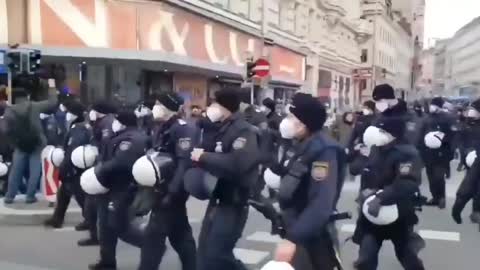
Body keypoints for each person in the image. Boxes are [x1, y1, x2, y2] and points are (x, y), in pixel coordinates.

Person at [272, 93, 346, 270]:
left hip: (313, 235)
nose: (286, 121)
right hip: (297, 227)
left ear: (304, 122)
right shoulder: (301, 143)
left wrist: (293, 239)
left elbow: (321, 203)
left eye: (291, 116)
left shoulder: (323, 151)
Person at [191, 88, 260, 270]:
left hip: (234, 201)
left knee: (218, 255)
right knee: (204, 253)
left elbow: (238, 163)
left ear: (224, 107)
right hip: (218, 197)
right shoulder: (222, 127)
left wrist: (204, 157)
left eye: (214, 103)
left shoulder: (244, 131)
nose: (210, 107)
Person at [136, 92, 198, 270]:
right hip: (161, 188)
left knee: (153, 238)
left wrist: (172, 193)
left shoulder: (182, 129)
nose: (154, 106)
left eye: (158, 103)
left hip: (171, 190)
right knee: (180, 235)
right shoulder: (162, 126)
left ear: (167, 107)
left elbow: (184, 163)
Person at [353, 116, 425, 270]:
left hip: (398, 212)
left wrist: (381, 197)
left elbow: (408, 182)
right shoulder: (375, 149)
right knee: (366, 257)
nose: (376, 133)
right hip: (371, 213)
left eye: (382, 131)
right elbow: (359, 169)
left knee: (406, 254)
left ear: (393, 134)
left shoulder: (406, 154)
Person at [85, 109, 149, 270]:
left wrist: (99, 170)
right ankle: (107, 262)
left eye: (117, 120)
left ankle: (152, 244)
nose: (114, 123)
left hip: (122, 188)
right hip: (108, 187)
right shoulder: (121, 136)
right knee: (105, 228)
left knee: (119, 226)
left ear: (123, 122)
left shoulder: (132, 139)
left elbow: (121, 162)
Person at [4, 80, 58, 204]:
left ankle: (9, 196)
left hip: (20, 145)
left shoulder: (10, 110)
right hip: (37, 143)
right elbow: (53, 102)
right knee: (35, 170)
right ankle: (30, 196)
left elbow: (6, 130)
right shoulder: (34, 106)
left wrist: (14, 143)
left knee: (16, 170)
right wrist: (51, 86)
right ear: (27, 96)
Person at [44, 100, 91, 229]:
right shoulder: (78, 127)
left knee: (80, 196)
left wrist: (64, 168)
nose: (67, 114)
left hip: (75, 170)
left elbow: (72, 151)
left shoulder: (78, 130)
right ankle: (57, 219)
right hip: (75, 168)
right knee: (63, 194)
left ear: (75, 114)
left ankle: (90, 221)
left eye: (69, 112)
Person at [78, 100, 118, 247]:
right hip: (99, 168)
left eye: (93, 109)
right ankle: (96, 236)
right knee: (92, 206)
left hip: (102, 169)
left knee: (97, 206)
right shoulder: (101, 122)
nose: (90, 112)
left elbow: (105, 146)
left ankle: (101, 239)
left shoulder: (107, 123)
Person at [418, 97, 457, 209]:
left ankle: (441, 198)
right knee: (430, 176)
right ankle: (435, 197)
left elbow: (453, 135)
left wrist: (442, 140)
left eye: (434, 105)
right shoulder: (427, 119)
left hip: (442, 152)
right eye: (431, 104)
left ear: (439, 106)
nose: (432, 107)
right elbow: (421, 133)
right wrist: (420, 147)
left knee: (438, 176)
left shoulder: (448, 118)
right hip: (428, 152)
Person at [454, 99, 480, 223]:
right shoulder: (467, 123)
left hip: (476, 159)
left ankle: (476, 211)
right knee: (470, 184)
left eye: (474, 110)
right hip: (470, 160)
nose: (470, 112)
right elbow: (460, 139)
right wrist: (465, 153)